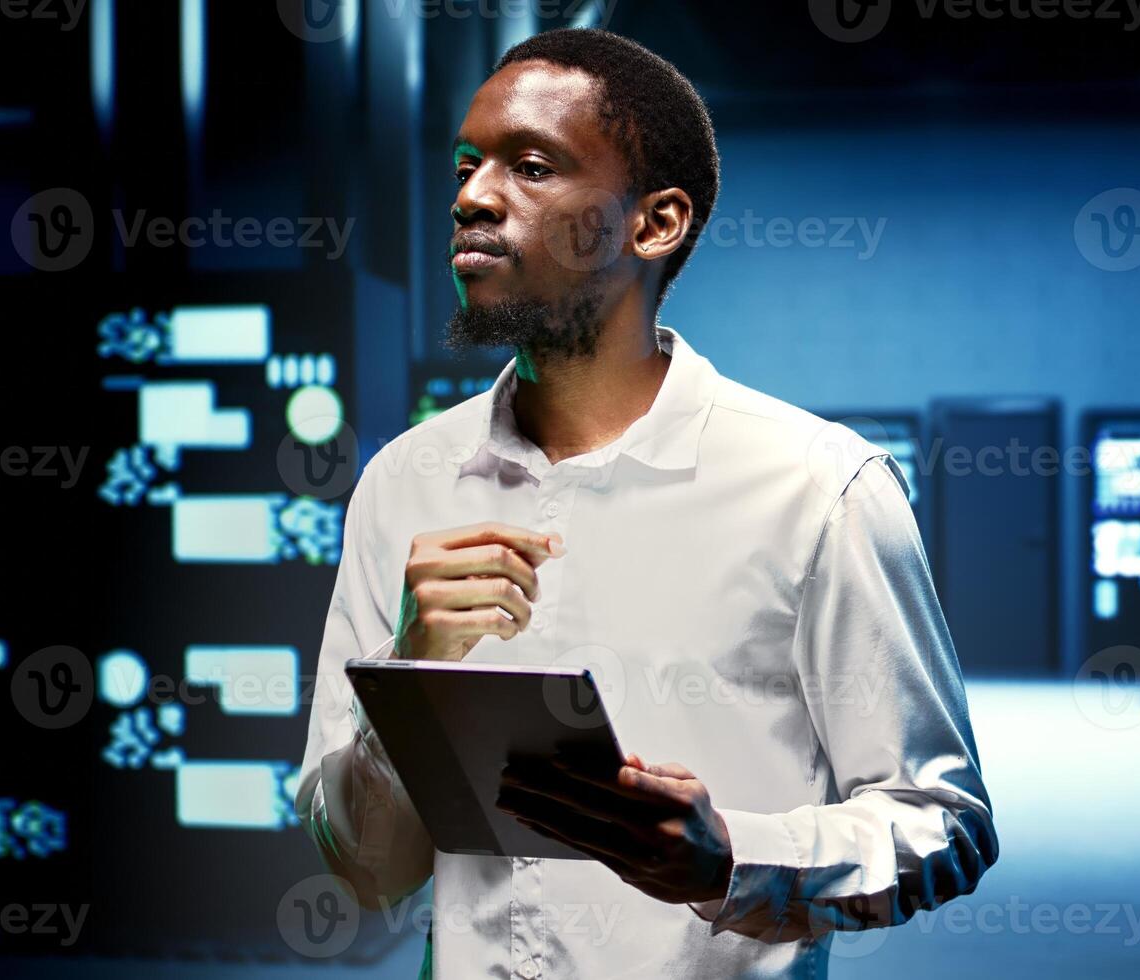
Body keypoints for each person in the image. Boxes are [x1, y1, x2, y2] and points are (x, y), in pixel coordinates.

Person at [295, 27, 997, 978]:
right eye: (466, 165)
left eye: (531, 167)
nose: (470, 197)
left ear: (655, 223)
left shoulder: (817, 487)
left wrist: (733, 859)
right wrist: (410, 670)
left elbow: (940, 825)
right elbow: (368, 873)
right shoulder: (404, 483)